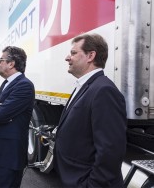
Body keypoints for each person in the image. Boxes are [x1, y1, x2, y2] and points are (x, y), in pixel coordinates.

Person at [53, 33, 127, 187]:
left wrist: (91, 185)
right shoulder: (86, 86)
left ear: (91, 56)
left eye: (73, 53)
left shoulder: (104, 90)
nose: (68, 57)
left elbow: (110, 151)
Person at [0, 46, 35, 188]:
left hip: (9, 155)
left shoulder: (24, 85)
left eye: (1, 60)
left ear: (11, 64)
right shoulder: (6, 83)